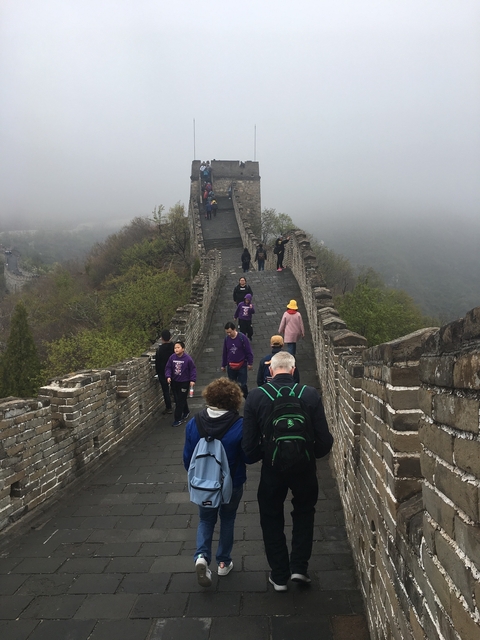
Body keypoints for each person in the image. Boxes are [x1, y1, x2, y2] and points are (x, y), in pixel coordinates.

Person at [242, 351, 333, 591]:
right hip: (305, 470)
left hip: (272, 471)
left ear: (270, 371)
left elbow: (248, 449)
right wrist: (306, 454)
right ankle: (299, 569)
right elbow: (325, 442)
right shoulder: (310, 394)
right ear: (293, 370)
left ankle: (279, 575)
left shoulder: (255, 397)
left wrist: (269, 453)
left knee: (271, 517)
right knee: (304, 513)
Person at [183, 378, 247, 587]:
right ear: (234, 400)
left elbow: (188, 457)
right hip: (232, 483)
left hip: (203, 483)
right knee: (227, 519)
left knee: (206, 520)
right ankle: (223, 562)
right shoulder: (239, 425)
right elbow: (247, 456)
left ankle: (201, 556)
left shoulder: (195, 422)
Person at [165, 341, 197, 427]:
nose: (176, 349)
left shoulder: (188, 359)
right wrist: (168, 376)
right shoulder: (172, 358)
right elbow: (168, 367)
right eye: (175, 348)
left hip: (184, 382)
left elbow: (193, 369)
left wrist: (192, 380)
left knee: (180, 401)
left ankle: (177, 419)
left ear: (183, 349)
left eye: (178, 347)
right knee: (178, 399)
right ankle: (186, 411)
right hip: (175, 382)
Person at [222, 321, 254, 399]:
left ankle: (247, 398)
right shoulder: (226, 339)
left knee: (242, 384)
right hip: (231, 366)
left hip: (241, 365)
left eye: (230, 332)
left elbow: (248, 351)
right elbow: (225, 352)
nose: (229, 334)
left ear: (234, 329)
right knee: (232, 385)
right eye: (227, 333)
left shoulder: (242, 338)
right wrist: (223, 365)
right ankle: (235, 401)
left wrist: (250, 363)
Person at [155, 330, 175, 414]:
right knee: (175, 388)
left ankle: (169, 407)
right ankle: (178, 403)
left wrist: (158, 373)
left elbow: (157, 363)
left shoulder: (160, 350)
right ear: (170, 337)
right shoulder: (174, 348)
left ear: (161, 338)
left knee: (165, 390)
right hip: (174, 371)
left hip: (163, 373)